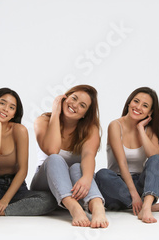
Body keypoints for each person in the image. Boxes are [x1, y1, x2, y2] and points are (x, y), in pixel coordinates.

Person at [0, 88, 56, 226]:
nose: (6, 109)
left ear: (14, 113)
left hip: (15, 189)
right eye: (2, 103)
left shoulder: (19, 130)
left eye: (12, 107)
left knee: (50, 200)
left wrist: (5, 201)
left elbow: (23, 170)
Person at [30, 85, 109, 228]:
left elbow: (88, 156)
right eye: (74, 98)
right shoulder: (42, 122)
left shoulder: (90, 129)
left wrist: (86, 178)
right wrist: (55, 112)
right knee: (55, 158)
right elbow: (52, 149)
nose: (75, 105)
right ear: (65, 97)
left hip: (73, 186)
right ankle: (74, 208)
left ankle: (97, 206)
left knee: (78, 167)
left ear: (85, 113)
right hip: (44, 182)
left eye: (82, 105)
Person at [95, 87, 159, 223]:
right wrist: (134, 195)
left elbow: (155, 158)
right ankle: (147, 206)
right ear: (129, 103)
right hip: (116, 186)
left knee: (157, 159)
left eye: (145, 106)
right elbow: (121, 162)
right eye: (136, 101)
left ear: (150, 112)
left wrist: (141, 129)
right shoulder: (115, 125)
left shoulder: (149, 131)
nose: (138, 107)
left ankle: (146, 207)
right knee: (102, 174)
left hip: (141, 185)